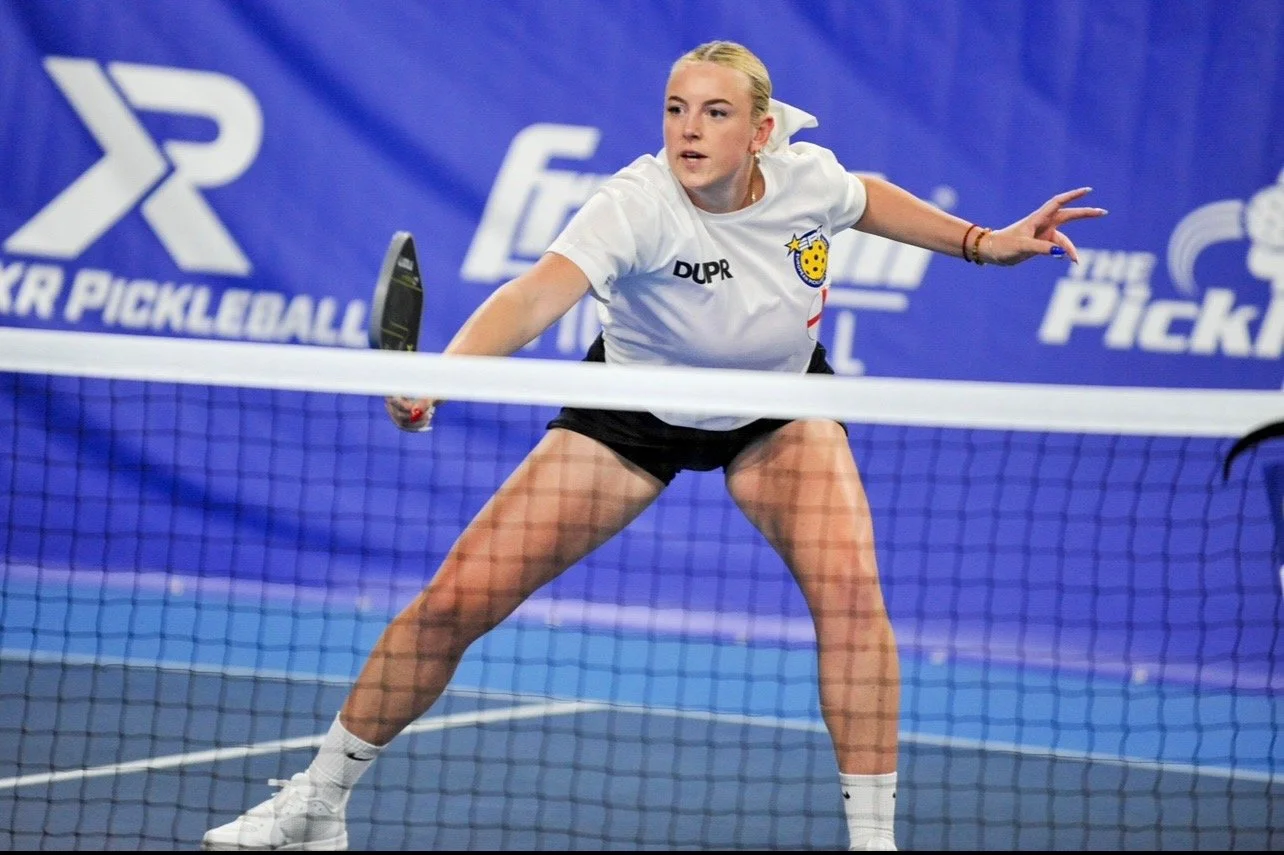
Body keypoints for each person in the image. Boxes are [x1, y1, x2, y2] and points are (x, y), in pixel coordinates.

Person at [202, 40, 1105, 852]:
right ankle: (317, 802)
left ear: (759, 132)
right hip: (631, 407)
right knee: (457, 600)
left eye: (714, 112)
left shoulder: (805, 178)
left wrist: (987, 244)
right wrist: (447, 372)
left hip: (775, 406)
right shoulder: (636, 204)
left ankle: (875, 843)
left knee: (853, 597)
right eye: (676, 109)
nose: (688, 129)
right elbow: (533, 294)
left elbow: (870, 200)